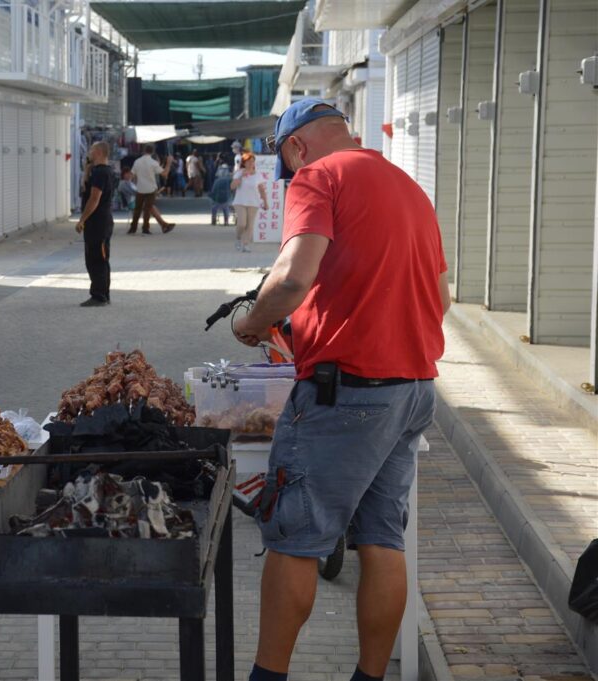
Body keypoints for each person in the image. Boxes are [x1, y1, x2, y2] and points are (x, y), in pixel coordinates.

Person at [231, 98, 451, 681]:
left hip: (347, 394)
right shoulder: (407, 186)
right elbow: (441, 298)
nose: (289, 178)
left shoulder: (318, 177)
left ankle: (266, 676)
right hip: (412, 390)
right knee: (382, 539)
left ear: (297, 147)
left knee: (295, 535)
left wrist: (252, 321)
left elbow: (294, 276)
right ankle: (370, 677)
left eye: (286, 164)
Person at [75, 142, 116, 307]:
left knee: (97, 259)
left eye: (91, 150)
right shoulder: (103, 171)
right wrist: (87, 169)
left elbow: (94, 198)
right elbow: (85, 188)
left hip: (98, 222)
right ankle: (103, 294)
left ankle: (99, 296)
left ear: (98, 152)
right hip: (100, 222)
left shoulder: (101, 173)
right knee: (96, 258)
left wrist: (82, 219)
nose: (89, 152)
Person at [129, 145, 176, 235]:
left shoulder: (137, 162)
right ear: (153, 152)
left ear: (143, 151)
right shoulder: (153, 163)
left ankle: (133, 228)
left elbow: (132, 175)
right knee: (148, 208)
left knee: (137, 209)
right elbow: (165, 174)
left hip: (140, 188)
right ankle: (145, 228)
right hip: (151, 188)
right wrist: (168, 163)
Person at [231, 152, 269, 252]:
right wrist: (241, 176)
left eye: (252, 161)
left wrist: (265, 202)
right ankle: (238, 238)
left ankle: (245, 244)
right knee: (242, 223)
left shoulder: (258, 174)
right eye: (248, 161)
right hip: (240, 202)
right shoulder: (239, 172)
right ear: (244, 163)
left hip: (254, 202)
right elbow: (232, 186)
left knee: (250, 225)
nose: (250, 163)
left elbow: (262, 190)